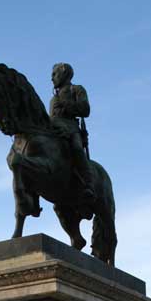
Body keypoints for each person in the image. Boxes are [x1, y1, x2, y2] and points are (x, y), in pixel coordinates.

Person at [49, 63, 95, 200]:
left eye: (54, 74)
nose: (52, 78)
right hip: (53, 129)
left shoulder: (76, 89)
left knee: (77, 149)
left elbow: (85, 110)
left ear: (64, 73)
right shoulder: (53, 98)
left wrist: (66, 104)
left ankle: (88, 183)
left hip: (70, 128)